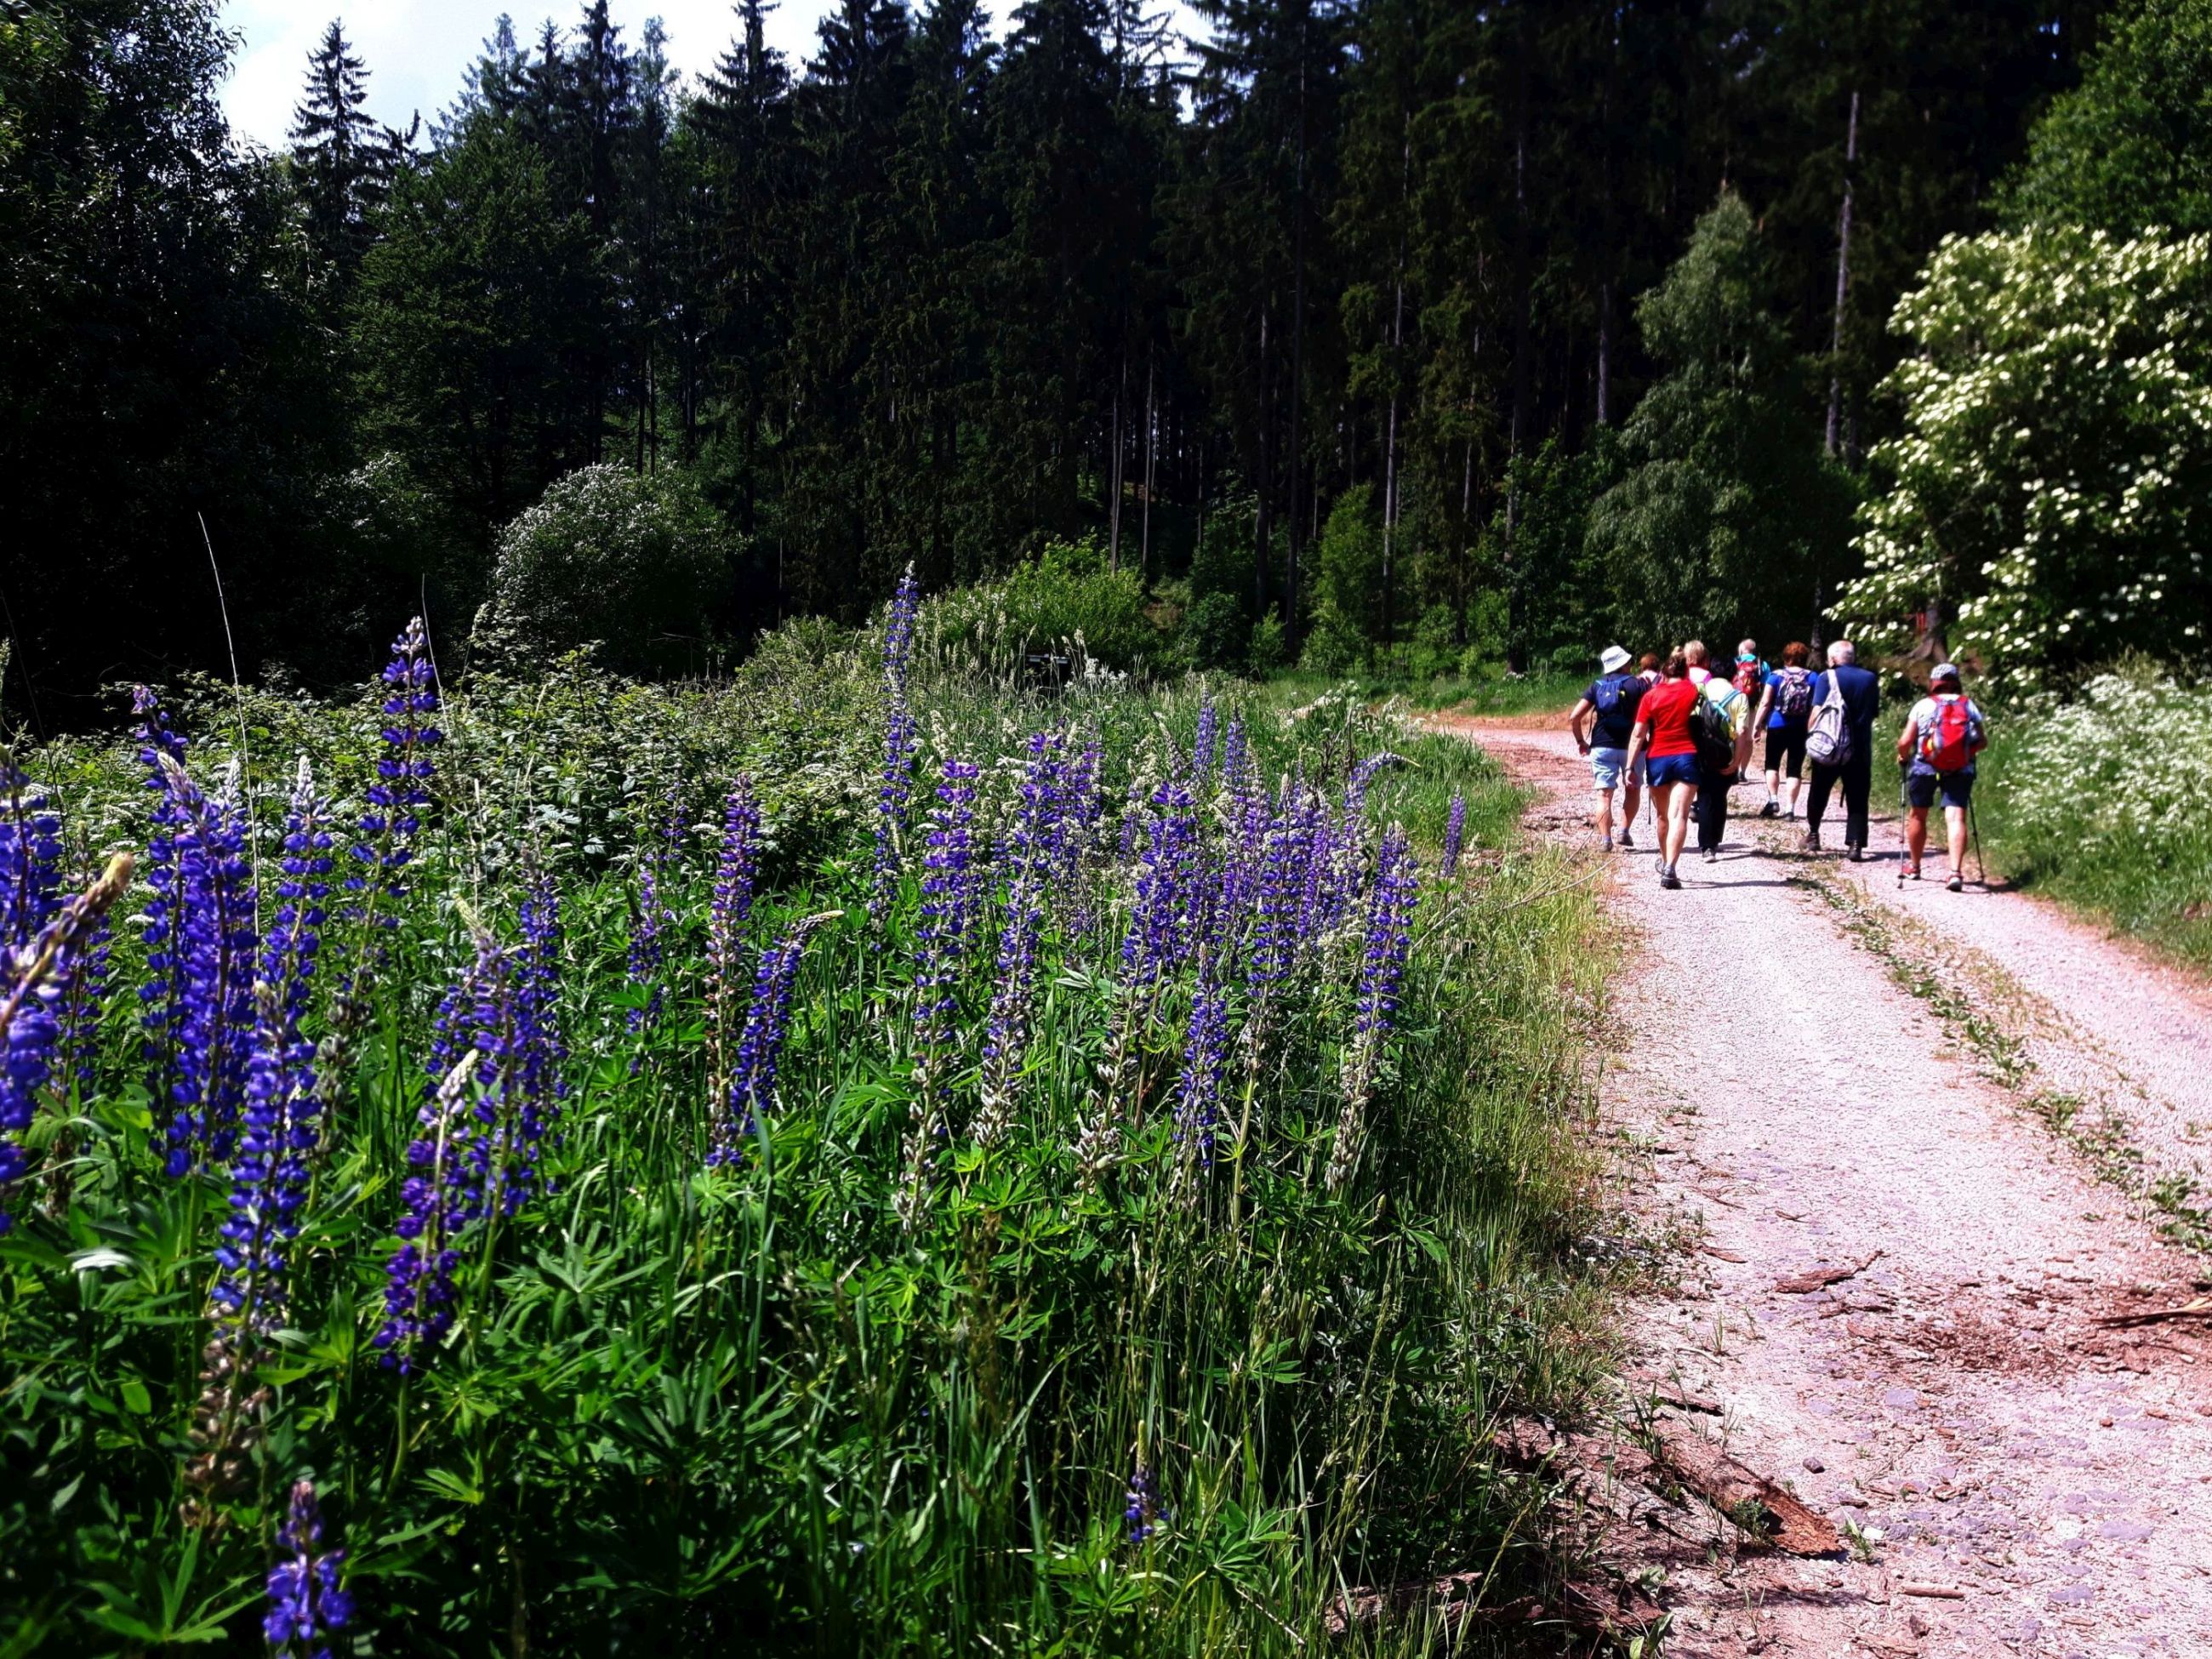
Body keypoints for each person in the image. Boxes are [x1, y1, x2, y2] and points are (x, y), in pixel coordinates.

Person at [1896, 662, 1988, 891]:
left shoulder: (1923, 706)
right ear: (1957, 682)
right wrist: (1965, 754)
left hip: (1924, 765)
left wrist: (1902, 756)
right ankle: (1955, 872)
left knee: (1918, 815)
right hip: (1961, 768)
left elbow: (1905, 741)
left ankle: (1915, 867)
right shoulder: (1968, 706)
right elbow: (1982, 741)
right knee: (1956, 817)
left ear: (1934, 683)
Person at [1624, 651, 1701, 889]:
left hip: (1657, 758)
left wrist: (1629, 766)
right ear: (1685, 671)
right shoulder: (1694, 691)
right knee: (1680, 815)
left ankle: (1666, 860)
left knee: (1662, 816)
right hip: (1687, 755)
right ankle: (1670, 869)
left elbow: (1638, 734)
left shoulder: (1651, 696)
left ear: (1664, 673)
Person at [1804, 638, 1880, 858]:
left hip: (1830, 746)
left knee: (1819, 791)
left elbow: (1817, 711)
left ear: (1833, 659)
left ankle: (1814, 834)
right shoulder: (1870, 679)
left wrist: (1811, 736)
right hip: (1859, 749)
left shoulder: (1827, 677)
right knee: (1857, 796)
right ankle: (1855, 844)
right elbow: (1873, 712)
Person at [1568, 645, 1647, 852]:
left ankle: (1605, 840)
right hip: (1633, 746)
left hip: (1602, 745)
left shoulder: (1597, 686)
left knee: (1604, 794)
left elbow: (1574, 717)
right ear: (1624, 664)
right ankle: (1624, 830)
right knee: (1633, 789)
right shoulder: (1637, 685)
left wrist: (1580, 741)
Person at [1683, 641, 1755, 864]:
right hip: (1726, 754)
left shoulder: (1698, 692)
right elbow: (1743, 732)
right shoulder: (1739, 697)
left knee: (1704, 796)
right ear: (1733, 674)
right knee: (1719, 797)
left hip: (1701, 752)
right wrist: (1737, 762)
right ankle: (1715, 840)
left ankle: (1706, 847)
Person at [1753, 641, 1817, 818]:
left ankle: (1773, 800)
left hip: (1777, 725)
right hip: (1801, 727)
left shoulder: (1775, 676)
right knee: (1794, 768)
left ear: (1786, 657)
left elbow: (1766, 703)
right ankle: (1790, 809)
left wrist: (1757, 725)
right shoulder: (1813, 677)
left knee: (1772, 764)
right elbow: (1816, 705)